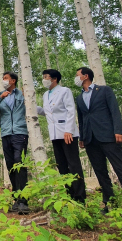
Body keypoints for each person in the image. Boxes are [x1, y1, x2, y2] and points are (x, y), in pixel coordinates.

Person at [74, 67, 122, 218]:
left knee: (121, 170)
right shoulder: (79, 98)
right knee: (100, 173)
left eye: (77, 75)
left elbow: (114, 111)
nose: (76, 78)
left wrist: (119, 130)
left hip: (108, 137)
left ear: (85, 76)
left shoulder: (104, 91)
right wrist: (82, 138)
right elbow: (82, 118)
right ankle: (109, 203)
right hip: (90, 140)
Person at [37, 69, 86, 203]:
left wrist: (69, 130)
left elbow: (71, 110)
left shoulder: (65, 91)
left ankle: (80, 197)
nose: (44, 79)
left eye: (46, 77)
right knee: (62, 165)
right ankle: (69, 195)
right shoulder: (46, 94)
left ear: (54, 79)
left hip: (66, 132)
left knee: (73, 164)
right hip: (54, 134)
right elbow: (46, 112)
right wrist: (30, 106)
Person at [0, 71, 30, 215]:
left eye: (6, 78)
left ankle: (23, 201)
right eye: (3, 79)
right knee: (11, 166)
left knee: (20, 163)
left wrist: (28, 96)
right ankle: (16, 199)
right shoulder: (1, 96)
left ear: (13, 80)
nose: (4, 81)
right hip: (6, 133)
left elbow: (30, 107)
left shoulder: (21, 94)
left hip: (20, 133)